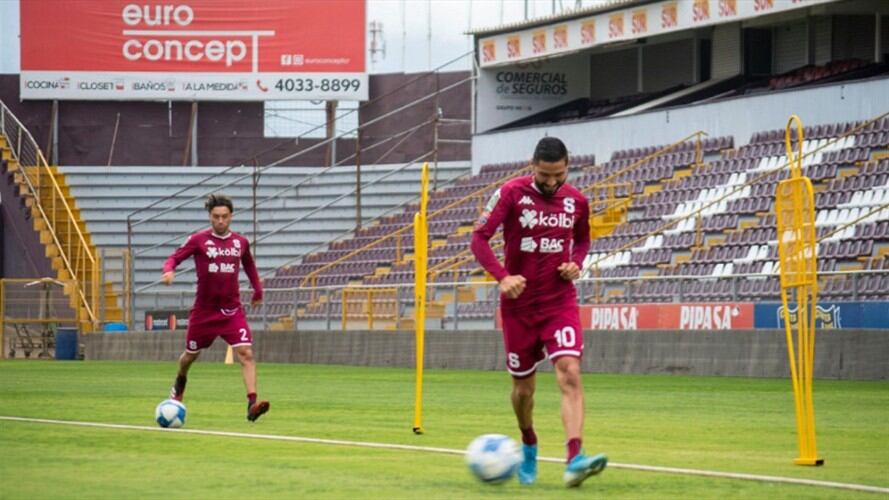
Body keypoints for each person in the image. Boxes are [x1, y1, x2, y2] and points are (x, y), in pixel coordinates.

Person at [471, 137, 606, 487]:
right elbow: (479, 238)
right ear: (533, 166)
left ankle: (575, 458)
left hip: (558, 302)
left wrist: (576, 264)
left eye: (557, 174)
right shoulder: (511, 193)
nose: (550, 182)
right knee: (524, 391)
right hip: (518, 308)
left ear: (567, 166)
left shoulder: (577, 201)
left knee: (570, 372)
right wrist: (502, 277)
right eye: (544, 175)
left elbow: (583, 241)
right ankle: (529, 441)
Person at [161, 193, 269, 422]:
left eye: (225, 216)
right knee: (189, 356)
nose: (220, 221)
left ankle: (252, 404)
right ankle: (180, 382)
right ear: (210, 217)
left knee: (246, 353)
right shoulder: (198, 240)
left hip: (231, 310)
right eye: (216, 217)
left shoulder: (240, 242)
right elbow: (174, 257)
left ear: (231, 217)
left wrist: (258, 290)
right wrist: (169, 270)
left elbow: (249, 264)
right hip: (204, 312)